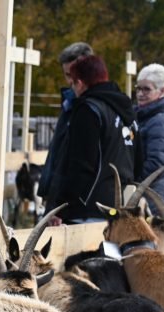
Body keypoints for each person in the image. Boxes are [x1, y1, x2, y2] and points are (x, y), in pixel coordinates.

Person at [45, 54, 136, 224]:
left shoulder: (88, 110)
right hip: (119, 204)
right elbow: (138, 159)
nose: (72, 89)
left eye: (72, 84)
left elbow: (81, 165)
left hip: (87, 207)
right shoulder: (126, 112)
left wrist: (62, 207)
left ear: (80, 83)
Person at [37, 42, 94, 215]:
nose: (70, 81)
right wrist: (47, 189)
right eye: (66, 75)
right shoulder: (69, 104)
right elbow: (58, 152)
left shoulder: (92, 109)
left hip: (75, 205)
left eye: (73, 75)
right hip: (57, 198)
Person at [133, 64, 164, 214]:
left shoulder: (162, 120)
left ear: (162, 90)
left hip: (152, 197)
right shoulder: (141, 115)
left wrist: (130, 179)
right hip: (139, 192)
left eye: (146, 89)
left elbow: (157, 164)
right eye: (138, 88)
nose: (140, 93)